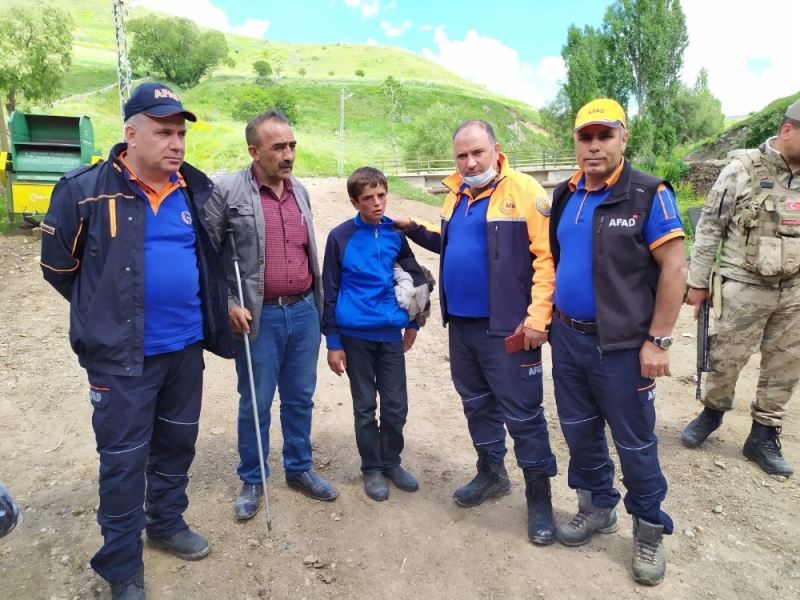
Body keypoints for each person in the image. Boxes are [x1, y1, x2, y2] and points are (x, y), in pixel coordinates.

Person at [40, 82, 234, 600]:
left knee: (176, 445)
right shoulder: (83, 191)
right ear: (131, 133)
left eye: (181, 134)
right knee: (124, 461)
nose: (177, 143)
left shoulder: (194, 189)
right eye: (164, 132)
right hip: (120, 359)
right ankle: (121, 565)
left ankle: (166, 524)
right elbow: (58, 269)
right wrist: (104, 314)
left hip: (184, 350)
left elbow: (207, 260)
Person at [394, 120, 558, 545]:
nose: (469, 162)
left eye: (477, 153)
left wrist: (538, 318)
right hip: (463, 327)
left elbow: (547, 260)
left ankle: (539, 497)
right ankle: (492, 473)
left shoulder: (525, 192)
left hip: (508, 327)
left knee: (523, 412)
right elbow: (450, 243)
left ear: (495, 150)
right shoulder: (456, 194)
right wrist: (413, 227)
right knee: (477, 403)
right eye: (461, 156)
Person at [548, 98, 686, 585]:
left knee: (634, 442)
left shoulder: (648, 193)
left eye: (604, 135)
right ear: (575, 142)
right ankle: (597, 506)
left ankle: (649, 529)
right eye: (585, 137)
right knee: (579, 430)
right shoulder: (565, 194)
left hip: (624, 349)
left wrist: (658, 341)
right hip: (568, 339)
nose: (594, 146)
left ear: (623, 138)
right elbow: (560, 260)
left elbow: (675, 268)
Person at [205, 109, 337, 521]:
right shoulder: (227, 191)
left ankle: (299, 468)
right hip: (258, 317)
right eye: (278, 147)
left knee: (300, 398)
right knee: (256, 401)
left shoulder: (301, 192)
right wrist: (228, 302)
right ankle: (253, 477)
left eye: (292, 145)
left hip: (304, 311)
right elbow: (205, 257)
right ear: (254, 151)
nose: (289, 154)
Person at [681, 99, 800, 477]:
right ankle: (712, 412)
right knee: (725, 358)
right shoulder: (741, 170)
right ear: (787, 131)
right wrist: (697, 283)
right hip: (745, 286)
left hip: (794, 290)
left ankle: (764, 434)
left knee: (785, 365)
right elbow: (709, 228)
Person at [322, 167, 430, 501]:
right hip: (355, 336)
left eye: (381, 195)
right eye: (368, 198)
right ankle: (371, 468)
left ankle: (391, 462)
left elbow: (416, 278)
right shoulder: (340, 237)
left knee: (396, 406)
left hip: (390, 334)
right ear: (354, 202)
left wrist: (414, 323)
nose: (377, 203)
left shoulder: (396, 233)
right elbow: (329, 290)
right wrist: (333, 342)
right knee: (365, 406)